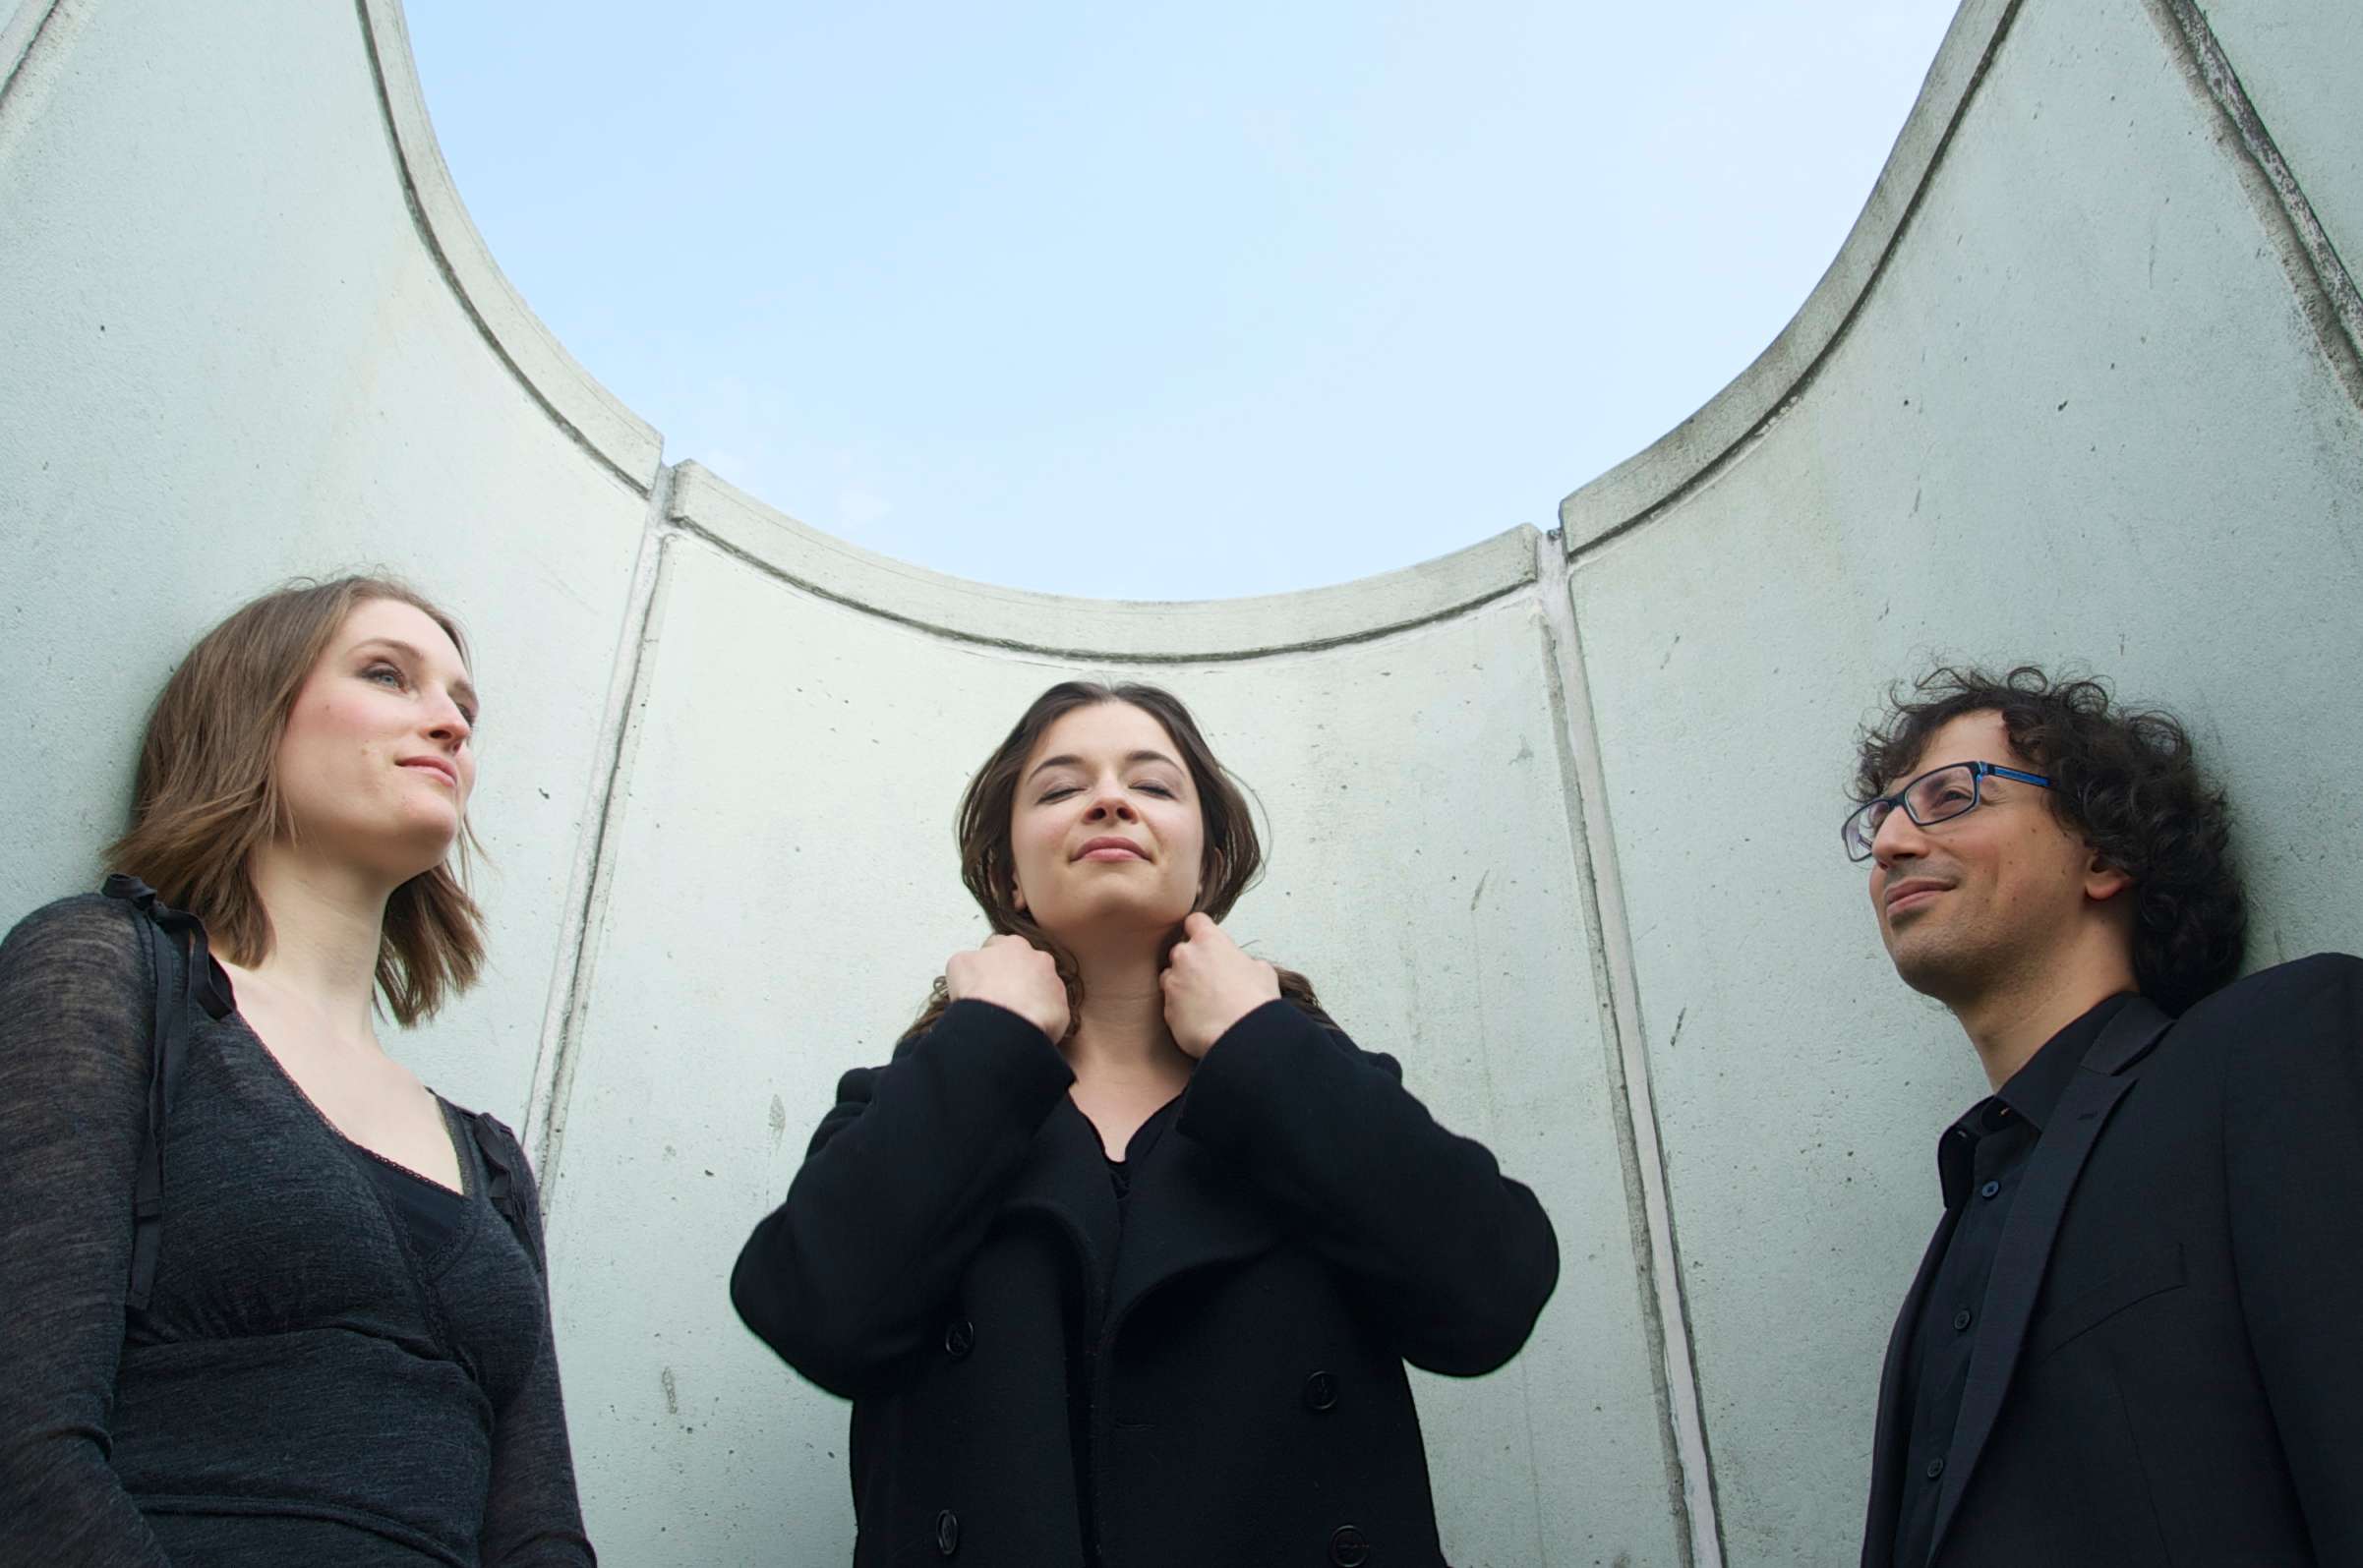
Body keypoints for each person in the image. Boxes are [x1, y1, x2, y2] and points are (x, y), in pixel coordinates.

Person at [731, 679, 1560, 1567]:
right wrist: (988, 1038)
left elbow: (1491, 1295)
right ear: (1009, 874)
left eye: (1153, 784)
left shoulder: (1317, 1082)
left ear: (1206, 863)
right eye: (1060, 787)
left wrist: (1256, 1038)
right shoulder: (921, 1096)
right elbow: (811, 1312)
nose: (1108, 799)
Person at [0, 577, 595, 1565]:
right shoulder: (107, 973)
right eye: (387, 675)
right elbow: (26, 1448)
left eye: (464, 706)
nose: (450, 723)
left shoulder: (490, 1162)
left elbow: (542, 1532)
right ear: (253, 714)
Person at [1845, 665, 2363, 1567]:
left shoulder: (2274, 1047)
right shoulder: (1962, 1215)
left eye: (1948, 796)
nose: (1888, 841)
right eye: (1881, 815)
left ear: (2103, 856)